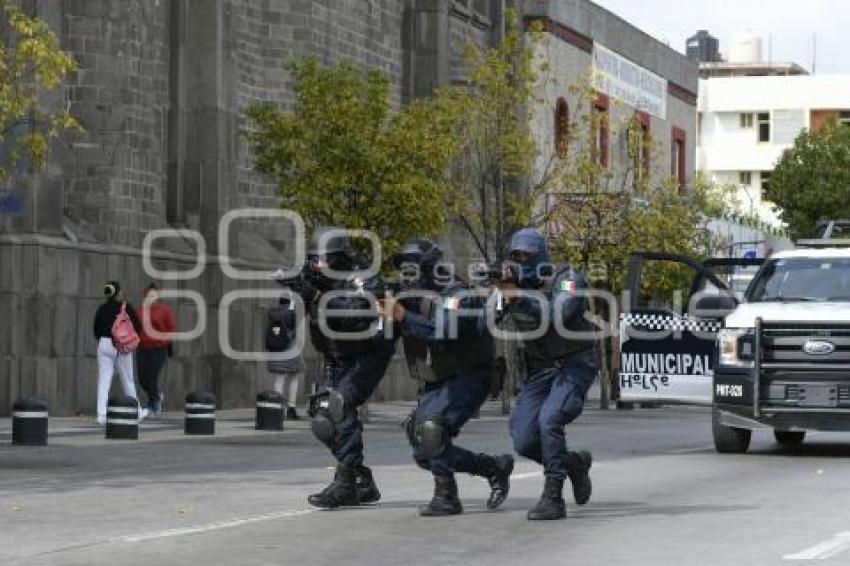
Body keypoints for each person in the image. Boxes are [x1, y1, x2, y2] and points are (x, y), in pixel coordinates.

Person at [382, 239, 514, 517]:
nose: (405, 276)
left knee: (433, 430)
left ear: (428, 268)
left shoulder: (456, 294)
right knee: (421, 445)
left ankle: (447, 497)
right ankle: (494, 467)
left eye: (411, 269)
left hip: (471, 374)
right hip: (440, 378)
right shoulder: (413, 296)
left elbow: (442, 334)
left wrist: (403, 316)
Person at [287, 226, 398, 509]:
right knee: (323, 421)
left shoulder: (363, 277)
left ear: (338, 257)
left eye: (322, 259)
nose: (317, 266)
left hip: (369, 353)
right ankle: (361, 478)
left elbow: (358, 311)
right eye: (313, 260)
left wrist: (316, 297)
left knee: (338, 406)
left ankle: (345, 483)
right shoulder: (320, 278)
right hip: (337, 354)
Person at [492, 228, 597, 521]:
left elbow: (555, 317)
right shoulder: (516, 286)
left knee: (550, 420)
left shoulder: (568, 280)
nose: (522, 260)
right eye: (517, 255)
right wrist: (503, 294)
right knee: (523, 439)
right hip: (541, 368)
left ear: (541, 254)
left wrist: (519, 298)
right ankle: (573, 463)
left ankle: (553, 496)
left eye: (528, 255)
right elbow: (490, 319)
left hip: (574, 363)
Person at [93, 281, 147, 424]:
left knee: (104, 381)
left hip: (104, 344)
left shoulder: (102, 308)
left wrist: (103, 342)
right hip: (122, 345)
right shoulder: (125, 307)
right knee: (128, 380)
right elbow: (138, 325)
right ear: (118, 292)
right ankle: (137, 412)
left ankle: (101, 415)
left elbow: (96, 329)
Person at [136, 283, 176, 416]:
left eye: (153, 295)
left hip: (158, 348)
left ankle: (154, 405)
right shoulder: (140, 310)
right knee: (142, 379)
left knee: (152, 378)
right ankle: (156, 397)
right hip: (142, 347)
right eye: (148, 295)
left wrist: (164, 341)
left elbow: (171, 328)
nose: (150, 297)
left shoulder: (165, 310)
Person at [265, 295, 305, 420]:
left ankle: (277, 408)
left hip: (276, 349)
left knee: (279, 380)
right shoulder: (293, 314)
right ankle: (291, 408)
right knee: (294, 377)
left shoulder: (273, 313)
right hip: (290, 350)